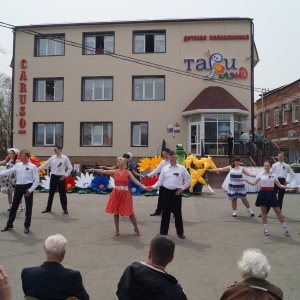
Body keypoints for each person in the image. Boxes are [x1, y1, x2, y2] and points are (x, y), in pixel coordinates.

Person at [87, 157, 146, 236]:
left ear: (125, 164)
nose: (120, 163)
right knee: (116, 212)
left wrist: (144, 187)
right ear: (117, 164)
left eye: (121, 162)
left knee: (130, 213)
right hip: (116, 193)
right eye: (118, 162)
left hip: (126, 194)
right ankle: (117, 229)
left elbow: (135, 181)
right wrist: (92, 170)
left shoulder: (128, 173)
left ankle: (136, 229)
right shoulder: (114, 172)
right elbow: (103, 171)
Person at [116, 235, 188, 300]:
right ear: (171, 258)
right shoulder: (175, 291)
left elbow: (121, 291)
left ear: (149, 253)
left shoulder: (131, 271)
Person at [21, 234, 89, 300]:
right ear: (63, 254)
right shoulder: (73, 277)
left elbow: (27, 294)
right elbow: (85, 298)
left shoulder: (27, 273)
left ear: (44, 248)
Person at [240, 160, 297, 236]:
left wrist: (291, 187)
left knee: (278, 212)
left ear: (270, 167)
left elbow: (280, 186)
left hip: (271, 194)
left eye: (268, 166)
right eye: (265, 166)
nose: (266, 167)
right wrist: (245, 180)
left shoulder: (274, 175)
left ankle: (285, 228)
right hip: (263, 194)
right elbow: (253, 183)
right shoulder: (260, 174)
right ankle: (266, 229)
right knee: (264, 213)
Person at [148, 151, 191, 239]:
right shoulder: (165, 168)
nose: (171, 159)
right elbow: (160, 181)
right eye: (170, 157)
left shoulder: (181, 168)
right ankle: (163, 232)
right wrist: (153, 187)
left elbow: (189, 180)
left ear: (176, 158)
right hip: (166, 192)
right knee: (165, 213)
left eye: (173, 157)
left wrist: (182, 188)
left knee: (178, 213)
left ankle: (180, 233)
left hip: (176, 193)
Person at [0, 149, 39, 234]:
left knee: (28, 208)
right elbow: (7, 172)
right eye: (20, 154)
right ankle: (9, 224)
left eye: (22, 154)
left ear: (27, 156)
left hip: (28, 187)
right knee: (14, 207)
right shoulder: (18, 165)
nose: (20, 156)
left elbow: (36, 180)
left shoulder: (33, 166)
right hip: (18, 187)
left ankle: (27, 226)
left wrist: (30, 190)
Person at [38, 145, 72, 214]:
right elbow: (45, 165)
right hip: (53, 176)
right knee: (51, 193)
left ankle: (65, 209)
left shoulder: (65, 158)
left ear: (60, 150)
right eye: (54, 150)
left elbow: (70, 168)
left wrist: (65, 175)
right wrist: (36, 169)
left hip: (61, 177)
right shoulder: (53, 158)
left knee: (62, 193)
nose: (54, 151)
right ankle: (48, 208)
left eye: (55, 149)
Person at [145, 148, 171, 216]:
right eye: (162, 154)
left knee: (171, 199)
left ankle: (174, 212)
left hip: (170, 183)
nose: (162, 155)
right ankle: (158, 211)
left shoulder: (172, 162)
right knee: (161, 198)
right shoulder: (163, 162)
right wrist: (148, 175)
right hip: (162, 183)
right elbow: (157, 170)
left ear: (168, 154)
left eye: (164, 154)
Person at [0, 148, 25, 212]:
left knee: (17, 193)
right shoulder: (7, 160)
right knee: (9, 192)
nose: (9, 154)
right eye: (8, 153)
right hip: (8, 178)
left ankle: (22, 206)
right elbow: (2, 162)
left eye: (11, 153)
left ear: (14, 154)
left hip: (15, 178)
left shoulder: (17, 161)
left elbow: (22, 166)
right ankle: (10, 206)